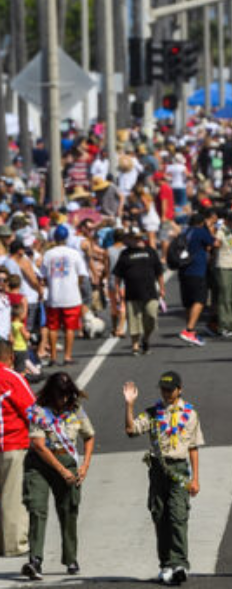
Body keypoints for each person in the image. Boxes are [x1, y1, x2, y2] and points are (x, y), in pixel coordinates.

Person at [124, 371, 204, 585]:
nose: (166, 393)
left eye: (170, 389)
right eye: (163, 389)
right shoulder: (152, 413)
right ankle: (166, 564)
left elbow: (194, 447)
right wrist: (129, 405)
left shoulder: (190, 414)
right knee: (160, 515)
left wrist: (196, 478)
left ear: (180, 390)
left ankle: (180, 563)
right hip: (159, 469)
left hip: (178, 468)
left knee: (178, 515)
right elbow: (131, 430)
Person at [21, 372, 95, 580]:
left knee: (68, 510)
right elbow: (39, 445)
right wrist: (61, 471)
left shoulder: (76, 410)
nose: (63, 399)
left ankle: (70, 557)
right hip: (40, 465)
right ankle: (35, 560)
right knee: (37, 508)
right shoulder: (39, 411)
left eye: (66, 394)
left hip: (66, 459)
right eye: (60, 394)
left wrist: (85, 465)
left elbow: (89, 436)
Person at [0, 340, 34, 557]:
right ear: (11, 357)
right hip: (11, 443)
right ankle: (14, 544)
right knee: (12, 497)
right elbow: (31, 410)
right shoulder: (11, 378)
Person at [112, 230, 166, 356]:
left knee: (151, 317)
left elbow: (159, 272)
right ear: (130, 240)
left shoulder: (151, 251)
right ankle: (135, 346)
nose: (138, 240)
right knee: (134, 321)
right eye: (135, 238)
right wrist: (117, 290)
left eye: (140, 238)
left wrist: (162, 288)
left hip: (150, 292)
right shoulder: (125, 254)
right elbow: (118, 275)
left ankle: (146, 339)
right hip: (132, 293)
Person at [42, 225, 89, 365]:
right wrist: (76, 284)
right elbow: (82, 274)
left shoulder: (48, 254)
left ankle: (53, 357)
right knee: (70, 328)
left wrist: (51, 284)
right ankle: (67, 356)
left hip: (54, 296)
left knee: (53, 327)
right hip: (71, 296)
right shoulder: (74, 253)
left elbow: (43, 276)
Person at [179, 211, 218, 347]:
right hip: (197, 270)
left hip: (183, 269)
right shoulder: (201, 231)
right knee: (200, 300)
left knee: (188, 302)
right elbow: (215, 243)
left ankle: (191, 330)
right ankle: (189, 330)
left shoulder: (184, 232)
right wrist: (210, 230)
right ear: (202, 222)